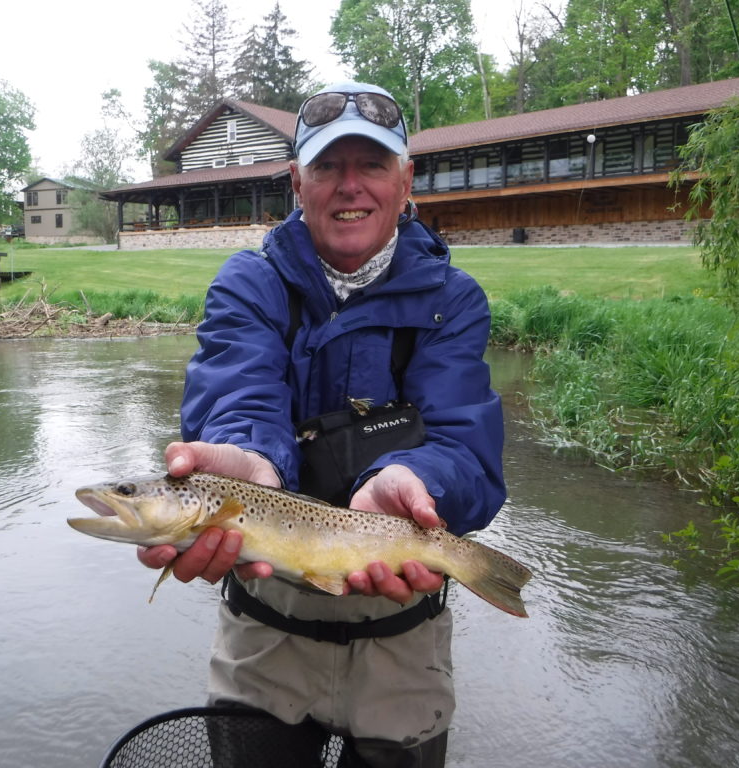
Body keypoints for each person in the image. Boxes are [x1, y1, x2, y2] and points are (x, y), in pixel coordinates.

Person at [138, 81, 506, 767]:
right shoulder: (249, 285)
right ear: (296, 182)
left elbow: (466, 449)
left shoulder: (453, 302)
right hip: (266, 639)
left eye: (371, 165)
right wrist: (250, 468)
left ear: (405, 181)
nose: (349, 187)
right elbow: (239, 399)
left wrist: (414, 481)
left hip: (403, 638)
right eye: (328, 167)